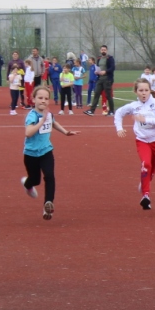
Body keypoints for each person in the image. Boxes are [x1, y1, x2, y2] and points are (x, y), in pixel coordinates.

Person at [21, 86, 78, 221]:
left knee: (50, 176)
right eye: (40, 98)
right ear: (33, 99)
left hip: (46, 151)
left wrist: (66, 132)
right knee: (35, 180)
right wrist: (41, 121)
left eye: (46, 99)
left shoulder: (48, 114)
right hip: (31, 154)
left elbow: (53, 122)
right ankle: (27, 184)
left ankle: (48, 204)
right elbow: (28, 133)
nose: (43, 101)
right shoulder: (32, 116)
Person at [114, 78, 155, 210]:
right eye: (141, 90)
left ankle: (145, 183)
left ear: (150, 91)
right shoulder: (133, 106)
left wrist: (145, 120)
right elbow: (119, 113)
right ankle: (146, 196)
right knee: (146, 164)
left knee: (151, 169)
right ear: (136, 91)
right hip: (142, 141)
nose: (143, 93)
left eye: (146, 90)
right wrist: (119, 128)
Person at [84, 45, 115, 116]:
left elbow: (112, 68)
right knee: (96, 94)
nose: (103, 51)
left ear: (106, 50)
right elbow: (98, 67)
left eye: (104, 50)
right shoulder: (99, 58)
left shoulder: (110, 58)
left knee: (108, 95)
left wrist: (106, 71)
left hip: (107, 79)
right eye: (102, 50)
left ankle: (111, 111)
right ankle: (92, 110)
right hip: (100, 78)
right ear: (100, 50)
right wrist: (97, 72)